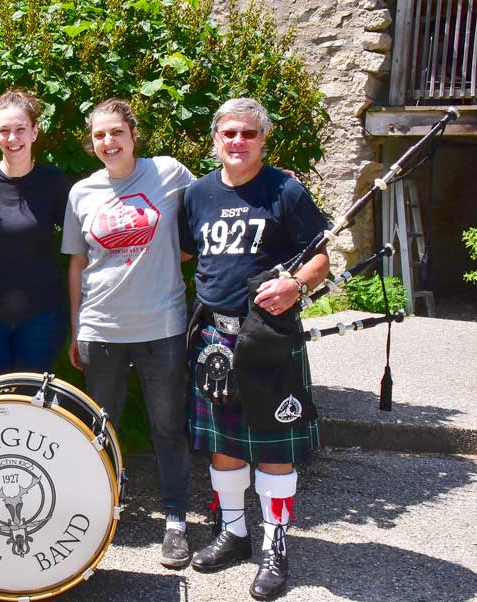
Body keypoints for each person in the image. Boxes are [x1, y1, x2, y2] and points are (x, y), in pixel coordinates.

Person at [179, 98, 329, 600]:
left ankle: (274, 544)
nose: (238, 142)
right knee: (223, 446)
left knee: (273, 450)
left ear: (262, 139)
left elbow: (320, 259)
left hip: (268, 334)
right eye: (229, 133)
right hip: (215, 337)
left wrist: (296, 286)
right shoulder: (197, 193)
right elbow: (185, 252)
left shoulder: (285, 191)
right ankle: (235, 532)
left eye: (248, 133)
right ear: (215, 139)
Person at [61, 99, 195, 569]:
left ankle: (176, 519)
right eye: (99, 135)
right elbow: (78, 263)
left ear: (133, 134)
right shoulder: (82, 192)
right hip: (102, 328)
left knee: (168, 428)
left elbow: (202, 223)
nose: (108, 142)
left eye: (116, 132)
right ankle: (101, 515)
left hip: (162, 327)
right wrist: (77, 327)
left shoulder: (170, 174)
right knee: (102, 427)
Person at [0, 89, 70, 383]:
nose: (13, 139)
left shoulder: (53, 182)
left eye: (21, 129)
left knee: (33, 404)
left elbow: (77, 246)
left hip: (42, 317)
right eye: (5, 131)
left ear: (35, 132)